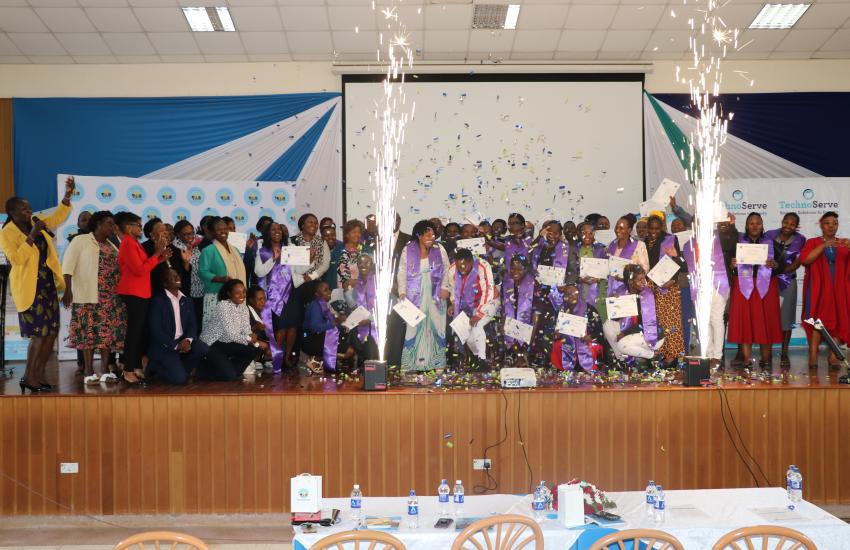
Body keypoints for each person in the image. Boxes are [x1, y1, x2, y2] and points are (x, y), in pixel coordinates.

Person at [0, 177, 74, 393]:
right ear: (13, 213)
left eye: (29, 208)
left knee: (51, 332)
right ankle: (28, 377)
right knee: (38, 334)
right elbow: (17, 259)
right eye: (24, 209)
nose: (29, 211)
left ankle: (38, 376)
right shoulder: (7, 233)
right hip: (29, 289)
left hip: (47, 285)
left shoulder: (36, 221)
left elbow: (59, 215)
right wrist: (32, 235)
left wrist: (67, 196)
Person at [62, 210, 124, 385]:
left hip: (109, 298)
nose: (113, 227)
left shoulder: (112, 245)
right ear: (98, 224)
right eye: (109, 223)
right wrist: (68, 291)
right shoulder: (80, 240)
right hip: (86, 296)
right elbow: (67, 266)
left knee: (106, 335)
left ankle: (104, 370)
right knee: (87, 334)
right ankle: (89, 371)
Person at [117, 211, 171, 385]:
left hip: (141, 292)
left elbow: (145, 266)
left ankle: (135, 366)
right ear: (127, 227)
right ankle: (127, 370)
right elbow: (139, 270)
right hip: (133, 292)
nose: (141, 228)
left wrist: (160, 256)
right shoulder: (127, 243)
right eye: (138, 225)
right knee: (133, 333)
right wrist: (156, 254)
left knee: (138, 332)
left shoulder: (134, 243)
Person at [728, 212, 782, 367]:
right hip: (743, 286)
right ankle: (746, 360)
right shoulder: (737, 243)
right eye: (751, 223)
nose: (755, 226)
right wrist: (732, 266)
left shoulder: (772, 243)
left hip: (766, 287)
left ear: (762, 225)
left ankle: (766, 359)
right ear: (746, 226)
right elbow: (728, 265)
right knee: (746, 322)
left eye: (758, 223)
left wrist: (775, 265)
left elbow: (782, 265)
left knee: (766, 321)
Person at [397, 219, 450, 371]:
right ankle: (409, 365)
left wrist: (445, 287)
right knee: (413, 327)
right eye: (427, 235)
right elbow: (401, 272)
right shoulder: (408, 249)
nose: (431, 238)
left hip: (436, 293)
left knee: (437, 326)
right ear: (419, 235)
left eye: (433, 235)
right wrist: (402, 292)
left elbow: (446, 269)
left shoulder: (439, 249)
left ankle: (438, 363)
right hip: (414, 294)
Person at [800, 211, 850, 369]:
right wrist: (824, 245)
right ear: (821, 224)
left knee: (836, 321)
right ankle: (813, 355)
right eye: (828, 223)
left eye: (834, 223)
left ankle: (833, 356)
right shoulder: (813, 242)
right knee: (818, 322)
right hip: (819, 290)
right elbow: (806, 260)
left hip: (838, 290)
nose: (831, 226)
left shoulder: (843, 243)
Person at [146, 268, 208, 385]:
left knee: (202, 348)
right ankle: (155, 366)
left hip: (183, 341)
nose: (177, 278)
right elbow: (156, 331)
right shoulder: (158, 301)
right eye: (172, 277)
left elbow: (193, 325)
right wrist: (175, 345)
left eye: (177, 275)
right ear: (165, 283)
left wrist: (188, 340)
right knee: (179, 380)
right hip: (166, 345)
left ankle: (180, 371)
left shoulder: (187, 300)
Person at [682, 219, 730, 368]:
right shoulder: (687, 245)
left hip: (717, 285)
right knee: (705, 322)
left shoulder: (718, 238)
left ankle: (717, 356)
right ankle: (708, 355)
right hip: (700, 288)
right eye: (695, 223)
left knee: (716, 320)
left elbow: (732, 239)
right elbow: (687, 267)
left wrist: (730, 225)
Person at [199, 279, 263, 381]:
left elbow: (246, 329)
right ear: (229, 294)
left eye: (243, 292)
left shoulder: (243, 308)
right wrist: (250, 339)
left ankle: (228, 370)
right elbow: (231, 334)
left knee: (254, 349)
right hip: (212, 344)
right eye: (237, 293)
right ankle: (202, 369)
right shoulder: (223, 306)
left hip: (227, 343)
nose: (242, 295)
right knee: (230, 376)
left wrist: (253, 338)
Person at [764, 213, 806, 367]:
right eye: (786, 222)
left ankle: (784, 353)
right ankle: (766, 353)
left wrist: (782, 269)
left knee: (786, 319)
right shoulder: (768, 235)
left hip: (788, 281)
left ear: (797, 226)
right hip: (769, 280)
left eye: (792, 224)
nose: (788, 226)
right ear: (782, 222)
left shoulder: (800, 240)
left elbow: (797, 262)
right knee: (767, 316)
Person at [643, 215, 685, 365]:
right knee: (654, 322)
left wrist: (672, 280)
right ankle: (656, 355)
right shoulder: (644, 242)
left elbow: (681, 263)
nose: (654, 231)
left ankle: (671, 356)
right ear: (647, 228)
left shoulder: (670, 239)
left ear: (661, 228)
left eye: (656, 228)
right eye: (651, 228)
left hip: (670, 287)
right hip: (651, 288)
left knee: (671, 322)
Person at [255, 222, 296, 371]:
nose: (277, 231)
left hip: (289, 294)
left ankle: (284, 358)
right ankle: (273, 358)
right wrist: (273, 258)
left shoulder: (289, 249)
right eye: (273, 229)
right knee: (276, 329)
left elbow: (299, 269)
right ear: (268, 233)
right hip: (270, 296)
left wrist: (308, 259)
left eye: (279, 229)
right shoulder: (263, 251)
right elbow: (259, 272)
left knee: (289, 328)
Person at [529, 221, 571, 367]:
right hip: (540, 293)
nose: (552, 235)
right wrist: (539, 238)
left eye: (556, 233)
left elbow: (572, 271)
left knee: (552, 327)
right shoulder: (539, 247)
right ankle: (538, 358)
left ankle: (552, 360)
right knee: (537, 326)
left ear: (561, 234)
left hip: (557, 295)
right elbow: (528, 258)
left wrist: (565, 284)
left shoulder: (567, 249)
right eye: (549, 232)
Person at [445, 248, 497, 367]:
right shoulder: (452, 270)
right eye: (459, 267)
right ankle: (475, 358)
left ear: (471, 262)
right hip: (468, 304)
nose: (461, 270)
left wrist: (479, 313)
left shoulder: (483, 266)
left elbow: (487, 291)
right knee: (467, 333)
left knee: (477, 325)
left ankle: (482, 360)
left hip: (490, 301)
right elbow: (454, 291)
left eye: (464, 266)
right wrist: (453, 304)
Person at [603, 264, 662, 366]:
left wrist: (625, 333)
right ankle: (622, 358)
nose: (644, 282)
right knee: (607, 325)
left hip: (651, 335)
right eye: (640, 280)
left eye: (644, 278)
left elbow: (646, 324)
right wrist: (615, 304)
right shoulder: (622, 291)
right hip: (632, 331)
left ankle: (651, 355)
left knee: (622, 344)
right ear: (630, 281)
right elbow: (615, 319)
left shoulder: (647, 295)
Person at [198, 217, 246, 329]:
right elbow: (202, 272)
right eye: (219, 229)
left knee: (234, 331)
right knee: (216, 332)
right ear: (212, 232)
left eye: (225, 228)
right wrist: (220, 279)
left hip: (236, 296)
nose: (223, 231)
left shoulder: (235, 250)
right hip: (216, 296)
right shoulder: (208, 250)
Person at [558, 284, 605, 372]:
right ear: (564, 296)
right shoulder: (561, 310)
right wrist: (557, 333)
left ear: (578, 294)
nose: (572, 296)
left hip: (586, 341)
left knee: (591, 347)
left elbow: (599, 331)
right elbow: (555, 330)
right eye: (568, 294)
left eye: (574, 293)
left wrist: (590, 337)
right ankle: (565, 369)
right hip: (567, 342)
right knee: (558, 345)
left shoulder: (589, 309)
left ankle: (586, 368)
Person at [344, 254, 379, 366]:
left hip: (375, 327)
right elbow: (352, 306)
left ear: (372, 265)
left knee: (370, 357)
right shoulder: (356, 283)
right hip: (359, 326)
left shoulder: (378, 282)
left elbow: (383, 308)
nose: (363, 265)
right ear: (357, 265)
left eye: (367, 262)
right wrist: (346, 290)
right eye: (361, 263)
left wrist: (369, 320)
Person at [302, 281, 345, 374]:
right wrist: (335, 322)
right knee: (344, 348)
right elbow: (315, 327)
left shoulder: (326, 305)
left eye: (329, 289)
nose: (329, 292)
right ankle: (315, 359)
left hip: (320, 336)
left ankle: (322, 360)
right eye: (325, 290)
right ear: (317, 294)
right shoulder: (315, 305)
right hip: (310, 339)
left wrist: (342, 323)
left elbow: (334, 325)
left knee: (345, 339)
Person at [501, 255, 535, 365]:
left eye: (519, 269)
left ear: (526, 269)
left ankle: (522, 355)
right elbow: (503, 308)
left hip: (528, 329)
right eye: (513, 268)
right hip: (510, 329)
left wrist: (530, 337)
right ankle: (514, 354)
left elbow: (536, 316)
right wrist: (502, 324)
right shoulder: (506, 283)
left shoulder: (534, 285)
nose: (515, 272)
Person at [607, 216, 649, 299]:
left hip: (632, 290)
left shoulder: (639, 245)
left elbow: (645, 268)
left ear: (629, 230)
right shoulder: (611, 245)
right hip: (613, 289)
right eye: (616, 227)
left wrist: (626, 277)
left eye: (621, 228)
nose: (617, 230)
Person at [291, 213, 331, 300]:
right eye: (310, 222)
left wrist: (311, 276)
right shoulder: (292, 241)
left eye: (316, 223)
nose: (314, 225)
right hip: (296, 285)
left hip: (315, 284)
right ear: (302, 225)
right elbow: (292, 265)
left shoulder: (322, 242)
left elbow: (325, 264)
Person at [576, 222, 609, 320]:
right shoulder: (575, 250)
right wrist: (579, 278)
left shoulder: (601, 250)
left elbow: (606, 270)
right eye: (584, 232)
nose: (587, 236)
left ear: (594, 235)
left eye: (590, 233)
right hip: (580, 289)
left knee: (596, 318)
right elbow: (571, 271)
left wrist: (599, 277)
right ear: (579, 234)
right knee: (580, 317)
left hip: (597, 291)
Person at [172, 219, 203, 321]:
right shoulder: (175, 248)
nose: (190, 236)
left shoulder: (197, 244)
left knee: (198, 319)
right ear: (178, 235)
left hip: (200, 288)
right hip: (186, 289)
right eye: (186, 234)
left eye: (192, 233)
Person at [327, 219, 368, 290]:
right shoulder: (337, 250)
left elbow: (370, 272)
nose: (357, 235)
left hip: (360, 291)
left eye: (359, 232)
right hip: (341, 292)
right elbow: (331, 272)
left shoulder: (365, 250)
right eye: (354, 232)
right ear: (347, 234)